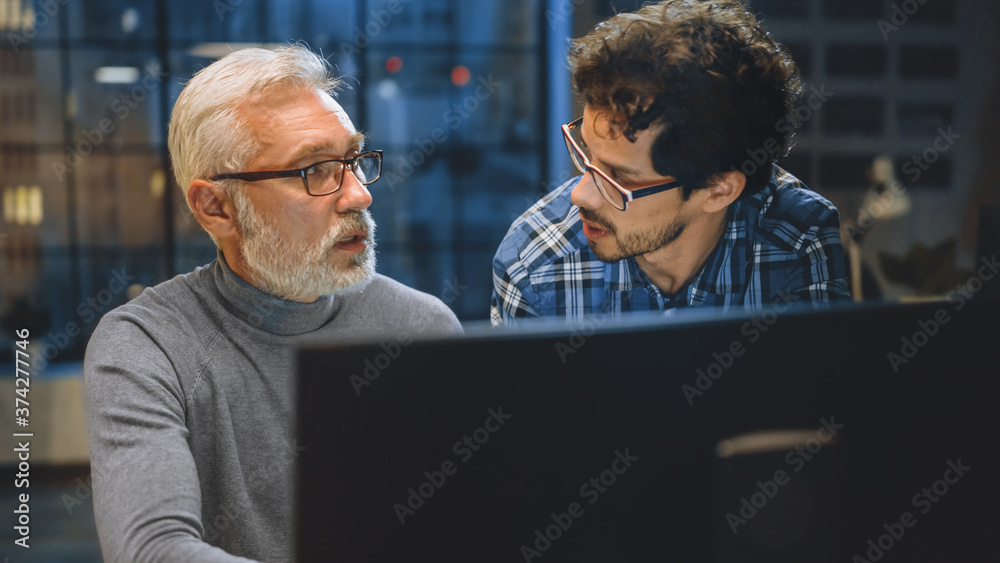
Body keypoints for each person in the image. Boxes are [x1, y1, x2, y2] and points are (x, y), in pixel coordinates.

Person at [84, 45, 461, 562]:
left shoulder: (421, 328)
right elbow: (154, 552)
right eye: (315, 170)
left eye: (353, 160)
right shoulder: (147, 346)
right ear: (216, 208)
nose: (358, 195)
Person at [491, 0, 850, 325]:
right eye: (586, 154)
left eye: (619, 177)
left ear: (718, 190)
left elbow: (811, 396)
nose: (580, 195)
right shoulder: (533, 266)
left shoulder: (798, 241)